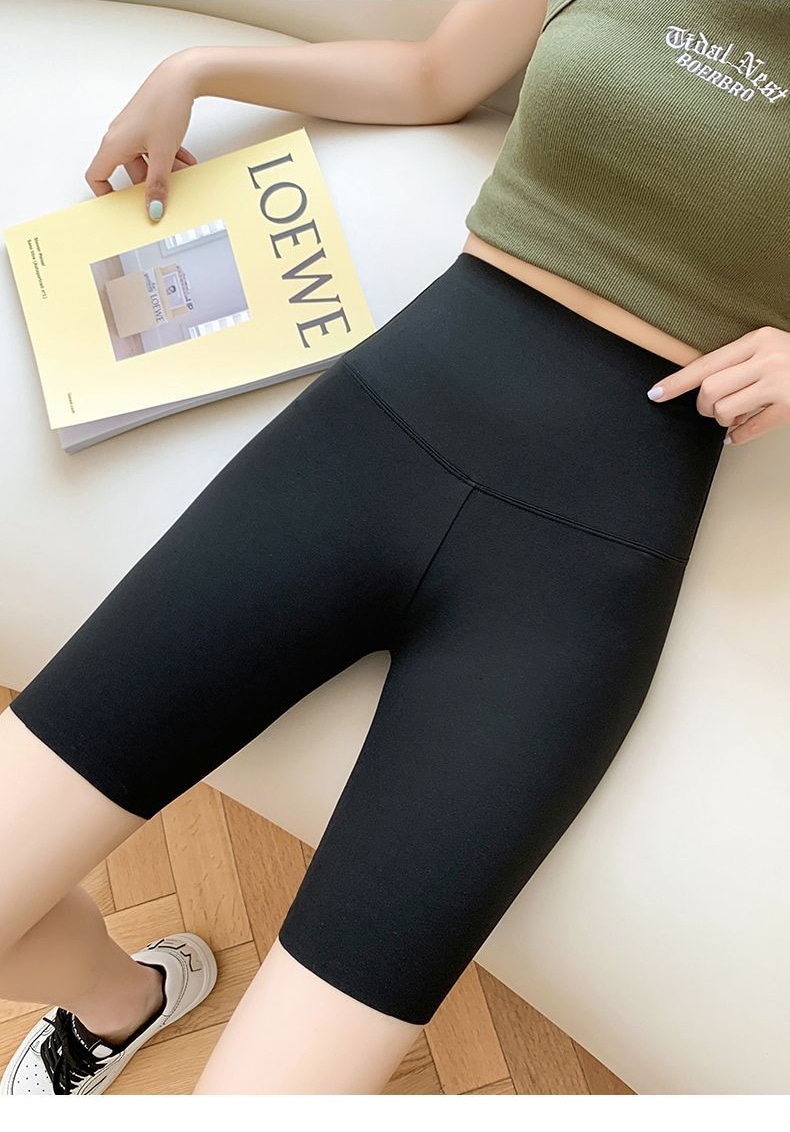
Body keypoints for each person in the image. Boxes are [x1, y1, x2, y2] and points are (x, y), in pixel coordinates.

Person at [1, 0, 788, 1096]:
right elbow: (430, 76)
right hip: (359, 451)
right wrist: (200, 66)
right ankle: (119, 998)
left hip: (576, 576)